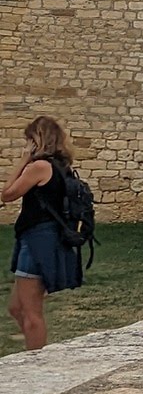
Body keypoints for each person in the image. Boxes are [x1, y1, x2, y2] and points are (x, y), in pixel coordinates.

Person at [4, 115, 84, 350]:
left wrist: (23, 160)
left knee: (31, 314)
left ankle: (36, 359)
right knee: (16, 308)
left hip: (37, 241)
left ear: (37, 139)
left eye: (29, 140)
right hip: (42, 238)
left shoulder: (39, 167)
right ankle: (35, 351)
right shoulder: (61, 167)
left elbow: (7, 194)